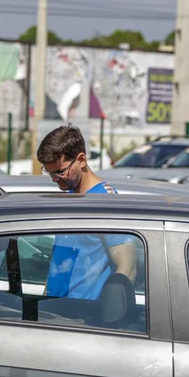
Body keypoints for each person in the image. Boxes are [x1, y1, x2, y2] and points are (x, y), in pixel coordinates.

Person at [36, 125, 137, 300]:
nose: (54, 180)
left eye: (60, 172)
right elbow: (60, 262)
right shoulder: (70, 195)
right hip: (55, 312)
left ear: (81, 159)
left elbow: (128, 266)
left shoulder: (105, 202)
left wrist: (108, 315)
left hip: (86, 319)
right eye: (49, 172)